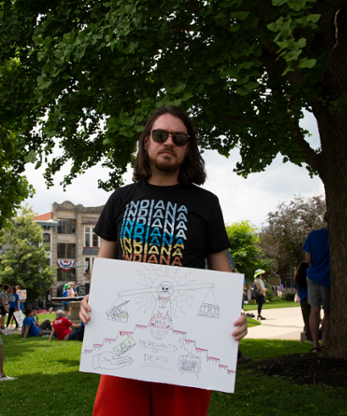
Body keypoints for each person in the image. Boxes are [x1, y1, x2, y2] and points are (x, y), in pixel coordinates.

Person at [79, 106, 247, 416]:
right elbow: (103, 267)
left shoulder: (206, 204)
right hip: (125, 338)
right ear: (146, 142)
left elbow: (223, 272)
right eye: (160, 135)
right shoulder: (120, 199)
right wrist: (91, 298)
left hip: (186, 346)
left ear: (188, 148)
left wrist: (235, 315)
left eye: (179, 137)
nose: (169, 142)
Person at [303, 212, 330, 353]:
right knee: (328, 312)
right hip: (327, 278)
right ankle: (324, 342)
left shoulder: (313, 235)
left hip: (312, 276)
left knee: (314, 311)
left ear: (324, 219)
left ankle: (315, 344)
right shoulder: (336, 237)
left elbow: (307, 259)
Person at [293, 261, 313, 342]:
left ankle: (309, 336)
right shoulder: (309, 277)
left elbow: (297, 288)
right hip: (311, 298)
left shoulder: (297, 279)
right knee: (314, 318)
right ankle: (312, 336)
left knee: (307, 319)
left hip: (303, 300)